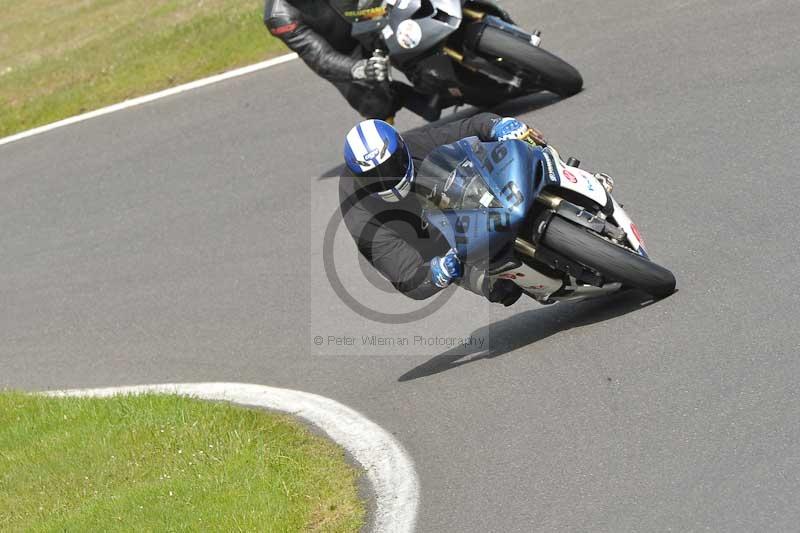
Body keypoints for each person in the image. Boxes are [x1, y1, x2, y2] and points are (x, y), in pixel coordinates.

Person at [340, 113, 548, 306]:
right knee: (501, 289)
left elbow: (463, 128)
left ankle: (560, 177)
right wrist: (437, 271)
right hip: (442, 245)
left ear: (401, 149)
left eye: (391, 167)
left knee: (525, 147)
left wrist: (497, 125)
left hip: (461, 197)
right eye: (375, 177)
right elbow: (400, 270)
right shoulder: (360, 213)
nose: (388, 180)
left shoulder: (411, 145)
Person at [264, 0, 402, 120]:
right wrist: (359, 69)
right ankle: (385, 145)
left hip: (369, 23)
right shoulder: (279, 17)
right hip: (344, 55)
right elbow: (320, 57)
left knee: (413, 52)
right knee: (376, 105)